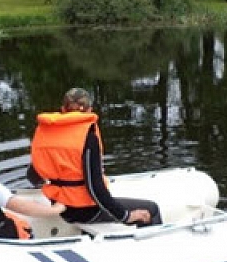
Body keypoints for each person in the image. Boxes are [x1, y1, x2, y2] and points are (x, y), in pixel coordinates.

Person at [27, 87, 162, 227]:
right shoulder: (88, 137)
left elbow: (33, 176)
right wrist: (126, 216)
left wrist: (59, 191)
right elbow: (94, 188)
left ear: (63, 109)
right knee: (151, 210)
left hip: (61, 207)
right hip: (86, 211)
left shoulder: (47, 133)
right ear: (89, 110)